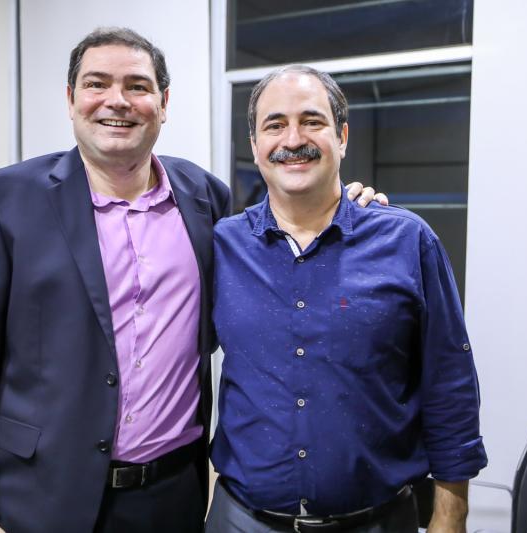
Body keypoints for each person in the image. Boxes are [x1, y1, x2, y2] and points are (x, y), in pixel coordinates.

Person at [0, 29, 381, 533]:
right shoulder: (7, 198)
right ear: (70, 99)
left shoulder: (206, 197)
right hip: (44, 492)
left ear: (163, 103)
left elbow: (282, 248)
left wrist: (343, 206)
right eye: (97, 84)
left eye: (137, 86)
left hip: (173, 495)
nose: (117, 101)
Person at [207, 65, 488, 533]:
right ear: (254, 145)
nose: (293, 139)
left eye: (311, 121)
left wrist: (450, 515)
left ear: (341, 137)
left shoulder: (407, 241)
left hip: (377, 520)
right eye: (275, 125)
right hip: (242, 519)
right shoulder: (222, 246)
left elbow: (449, 384)